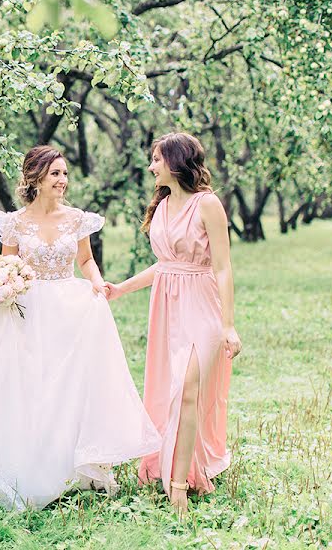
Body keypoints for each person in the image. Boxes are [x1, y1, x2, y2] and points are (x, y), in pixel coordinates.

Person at [0, 145, 160, 511]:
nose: (63, 180)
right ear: (36, 177)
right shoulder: (14, 223)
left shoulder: (77, 219)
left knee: (67, 385)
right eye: (55, 173)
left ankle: (69, 466)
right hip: (26, 308)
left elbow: (86, 260)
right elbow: (7, 264)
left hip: (69, 308)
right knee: (27, 384)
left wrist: (98, 282)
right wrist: (2, 285)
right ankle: (24, 465)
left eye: (65, 173)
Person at [106, 132, 242, 517]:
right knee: (169, 390)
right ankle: (170, 469)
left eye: (156, 159)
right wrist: (121, 289)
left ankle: (180, 486)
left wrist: (229, 325)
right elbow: (164, 264)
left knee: (187, 388)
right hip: (166, 307)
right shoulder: (162, 206)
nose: (151, 166)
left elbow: (223, 266)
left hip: (202, 305)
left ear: (176, 161)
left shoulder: (208, 204)